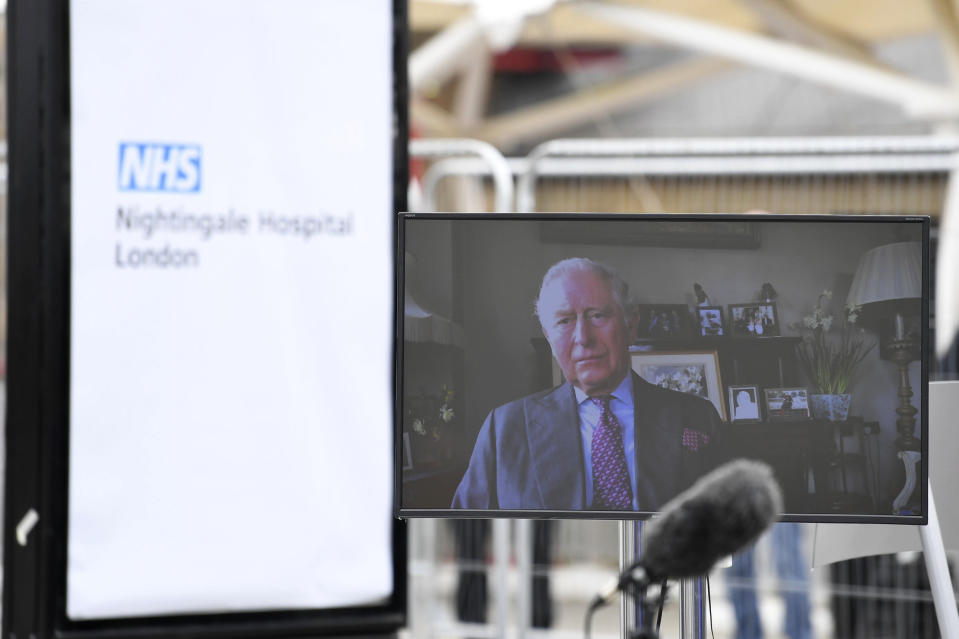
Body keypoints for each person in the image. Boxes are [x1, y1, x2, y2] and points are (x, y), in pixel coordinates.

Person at [451, 257, 724, 511]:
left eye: (597, 316)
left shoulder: (698, 417)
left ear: (631, 325)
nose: (583, 337)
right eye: (564, 321)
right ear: (549, 338)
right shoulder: (504, 429)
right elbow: (465, 540)